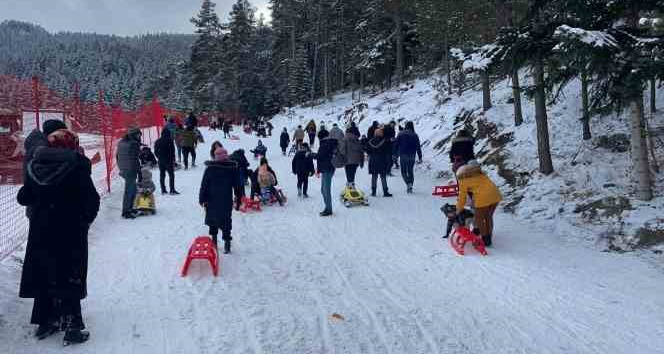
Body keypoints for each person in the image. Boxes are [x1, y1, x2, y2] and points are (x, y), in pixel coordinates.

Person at [17, 128, 100, 345]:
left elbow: (23, 197)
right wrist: (85, 221)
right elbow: (91, 200)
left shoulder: (36, 166)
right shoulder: (76, 167)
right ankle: (72, 326)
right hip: (70, 231)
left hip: (42, 231)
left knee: (45, 273)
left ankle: (45, 322)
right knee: (70, 275)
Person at [199, 147, 242, 254]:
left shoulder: (210, 169)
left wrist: (202, 199)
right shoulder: (232, 169)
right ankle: (227, 244)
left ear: (215, 157)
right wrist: (238, 198)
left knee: (212, 221)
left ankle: (214, 243)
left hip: (211, 200)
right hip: (225, 201)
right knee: (226, 221)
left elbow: (204, 186)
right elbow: (238, 186)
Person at [23, 119, 67, 218]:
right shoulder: (41, 148)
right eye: (62, 133)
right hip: (43, 208)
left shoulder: (40, 144)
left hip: (39, 207)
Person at [454, 160, 502, 247]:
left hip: (483, 198)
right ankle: (489, 237)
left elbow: (462, 198)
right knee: (488, 217)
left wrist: (458, 209)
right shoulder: (480, 174)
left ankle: (485, 240)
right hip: (495, 195)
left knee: (479, 218)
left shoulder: (462, 180)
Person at [117, 128, 142, 219]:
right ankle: (126, 211)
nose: (140, 137)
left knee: (133, 189)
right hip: (131, 169)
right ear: (135, 135)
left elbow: (117, 156)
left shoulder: (121, 142)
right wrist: (139, 172)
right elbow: (135, 159)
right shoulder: (134, 144)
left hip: (123, 169)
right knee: (129, 190)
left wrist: (121, 168)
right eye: (139, 135)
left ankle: (130, 208)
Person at [315, 129, 338, 216]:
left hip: (327, 169)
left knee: (326, 190)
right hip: (328, 168)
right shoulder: (329, 143)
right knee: (323, 189)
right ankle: (327, 207)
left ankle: (328, 209)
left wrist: (310, 154)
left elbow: (319, 156)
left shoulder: (325, 144)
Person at [396, 121, 423, 194]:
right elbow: (418, 147)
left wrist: (395, 154)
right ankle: (410, 185)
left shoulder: (401, 134)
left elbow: (396, 144)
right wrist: (420, 157)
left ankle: (408, 183)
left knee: (403, 171)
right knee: (410, 171)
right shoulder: (415, 135)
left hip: (403, 155)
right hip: (412, 155)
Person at [366, 128, 392, 197]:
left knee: (374, 176)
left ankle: (373, 192)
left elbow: (368, 151)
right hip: (382, 160)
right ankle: (385, 191)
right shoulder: (384, 141)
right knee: (383, 176)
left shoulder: (370, 141)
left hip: (373, 160)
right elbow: (387, 151)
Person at [153, 129, 179, 195]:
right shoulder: (170, 140)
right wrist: (173, 160)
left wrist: (158, 157)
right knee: (171, 175)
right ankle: (172, 190)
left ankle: (163, 190)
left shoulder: (157, 141)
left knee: (162, 175)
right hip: (168, 160)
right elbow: (172, 151)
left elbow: (155, 151)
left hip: (160, 160)